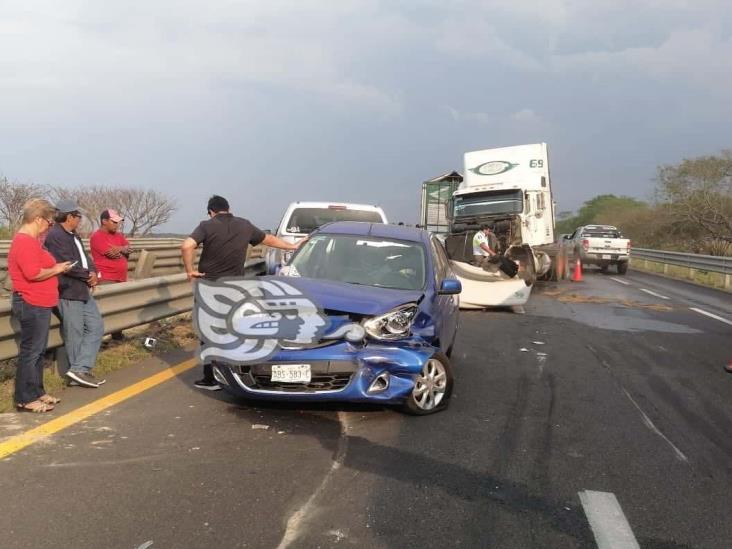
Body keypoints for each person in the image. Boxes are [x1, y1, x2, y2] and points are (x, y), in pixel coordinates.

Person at [181, 195, 302, 390]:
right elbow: (268, 239)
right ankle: (239, 374)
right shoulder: (245, 225)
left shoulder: (206, 225)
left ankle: (211, 379)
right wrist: (293, 246)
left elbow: (187, 245)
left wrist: (189, 270)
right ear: (229, 209)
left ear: (211, 211)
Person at [8, 199, 74, 412]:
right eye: (49, 222)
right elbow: (32, 273)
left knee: (37, 351)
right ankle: (24, 398)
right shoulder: (25, 241)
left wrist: (55, 268)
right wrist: (57, 269)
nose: (50, 226)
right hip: (31, 301)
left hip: (40, 302)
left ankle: (37, 391)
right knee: (31, 352)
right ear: (37, 219)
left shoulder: (32, 241)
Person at [44, 199, 106, 389]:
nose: (80, 219)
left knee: (96, 327)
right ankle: (78, 372)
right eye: (78, 216)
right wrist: (88, 275)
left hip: (82, 289)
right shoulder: (55, 235)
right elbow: (65, 263)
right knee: (75, 332)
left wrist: (93, 272)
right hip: (68, 290)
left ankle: (80, 368)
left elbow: (85, 258)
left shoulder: (73, 235)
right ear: (69, 216)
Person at [90, 208, 131, 284]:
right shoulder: (97, 236)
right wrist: (123, 250)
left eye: (118, 222)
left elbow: (129, 248)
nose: (117, 225)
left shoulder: (119, 235)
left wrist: (120, 248)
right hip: (106, 278)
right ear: (104, 221)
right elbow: (114, 254)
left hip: (121, 277)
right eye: (114, 222)